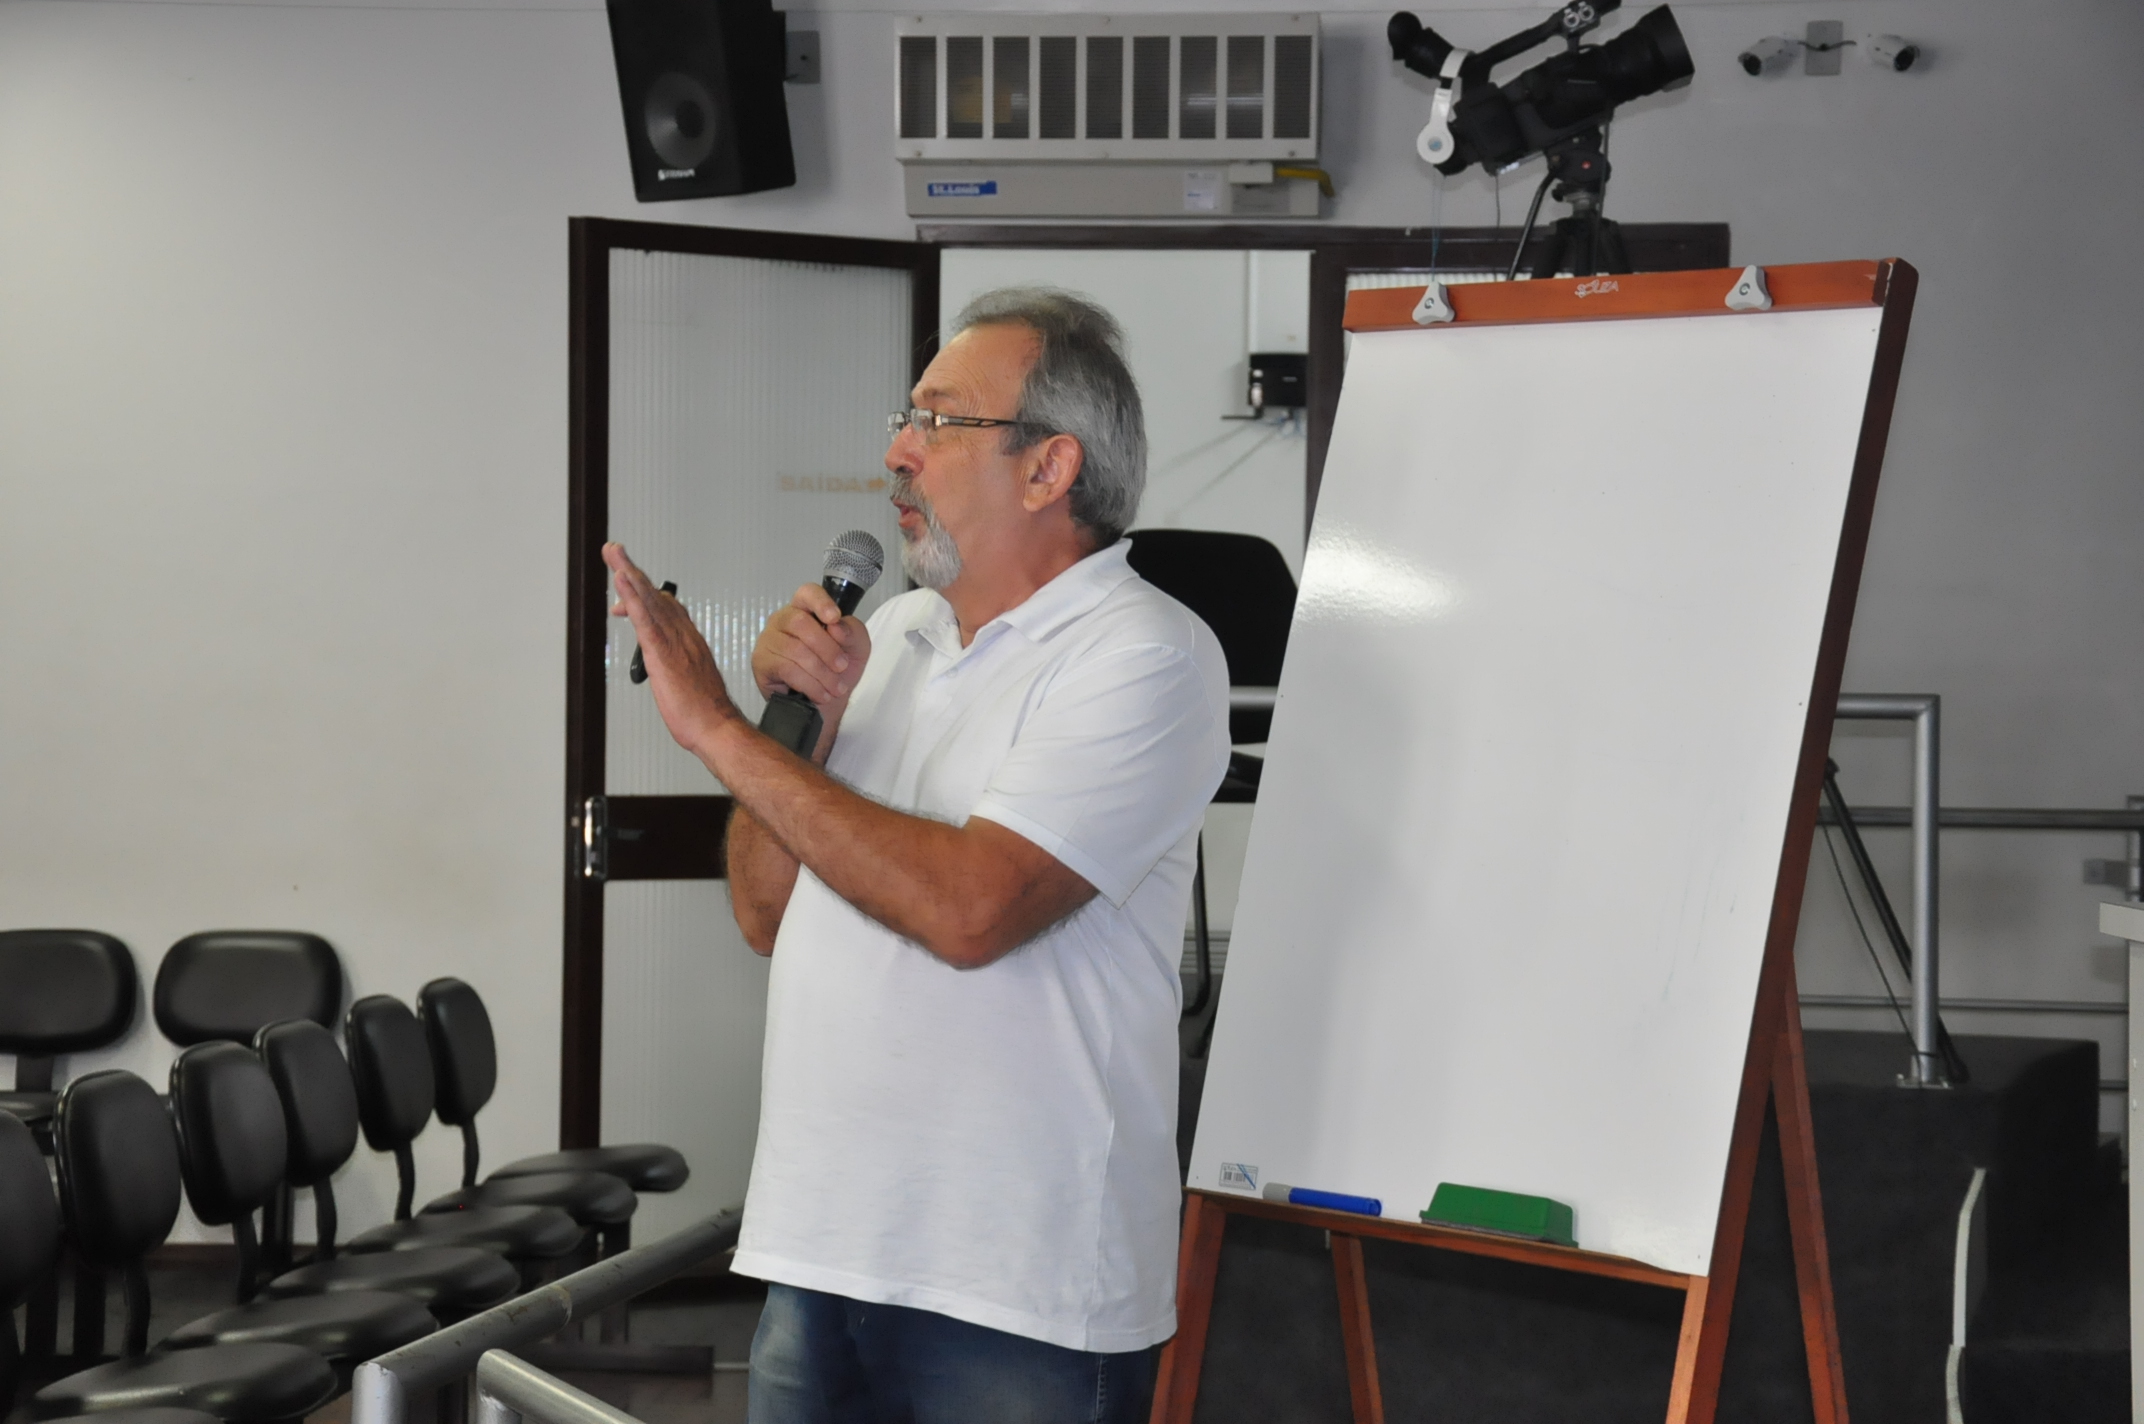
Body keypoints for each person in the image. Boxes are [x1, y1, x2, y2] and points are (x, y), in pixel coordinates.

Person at [603, 287, 1231, 1424]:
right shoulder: (891, 634)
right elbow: (764, 913)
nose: (897, 452)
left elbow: (970, 911)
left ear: (1049, 468)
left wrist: (721, 733)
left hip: (1016, 1288)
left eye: (938, 422)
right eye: (905, 418)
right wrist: (800, 730)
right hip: (822, 1250)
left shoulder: (1145, 653)